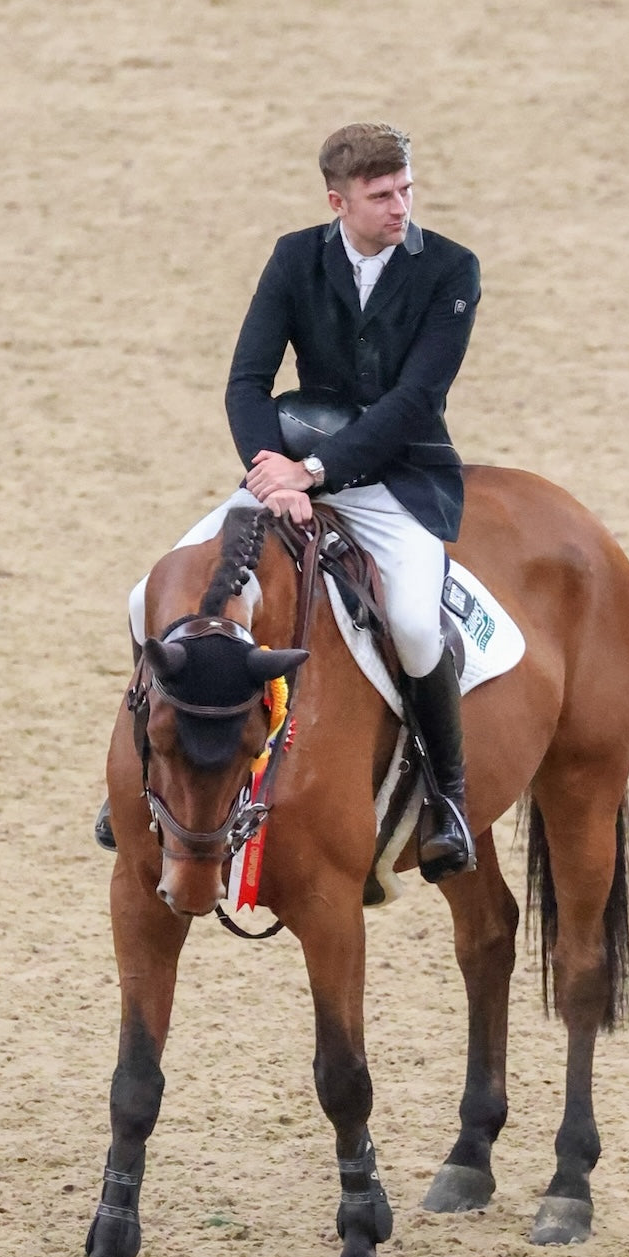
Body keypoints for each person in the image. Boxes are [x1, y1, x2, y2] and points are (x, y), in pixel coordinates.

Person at [113, 122, 480, 881]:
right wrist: (266, 470)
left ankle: (447, 795)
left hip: (395, 478)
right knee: (144, 596)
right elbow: (246, 380)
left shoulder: (449, 269)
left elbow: (416, 399)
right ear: (336, 200)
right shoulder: (294, 257)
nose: (400, 208)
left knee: (413, 626)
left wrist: (311, 471)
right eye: (381, 196)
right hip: (284, 471)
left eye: (406, 189)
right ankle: (145, 774)